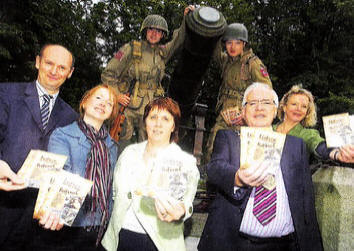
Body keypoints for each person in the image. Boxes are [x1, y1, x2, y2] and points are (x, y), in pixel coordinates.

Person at [198, 83, 323, 251]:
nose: (259, 108)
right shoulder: (229, 138)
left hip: (284, 245)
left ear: (275, 110)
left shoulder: (295, 145)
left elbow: (306, 199)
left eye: (266, 102)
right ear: (243, 111)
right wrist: (237, 178)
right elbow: (215, 168)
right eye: (252, 103)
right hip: (235, 244)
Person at [0, 44, 78, 250]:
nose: (54, 71)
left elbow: (72, 169)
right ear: (37, 62)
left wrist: (63, 209)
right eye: (49, 63)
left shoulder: (72, 117)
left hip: (40, 221)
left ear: (70, 73)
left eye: (62, 67)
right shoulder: (6, 93)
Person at [102, 97, 200, 251]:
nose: (158, 124)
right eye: (153, 117)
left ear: (173, 125)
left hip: (159, 242)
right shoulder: (128, 153)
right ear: (145, 122)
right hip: (120, 239)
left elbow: (186, 204)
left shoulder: (185, 162)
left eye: (165, 119)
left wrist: (180, 211)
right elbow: (114, 194)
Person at [32, 84, 119, 251]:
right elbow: (59, 174)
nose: (103, 104)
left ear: (111, 113)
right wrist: (55, 209)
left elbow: (111, 187)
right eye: (98, 98)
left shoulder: (112, 146)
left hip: (100, 225)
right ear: (85, 103)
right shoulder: (62, 135)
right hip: (68, 223)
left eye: (109, 103)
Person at [101, 6, 193, 147]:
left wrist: (186, 18)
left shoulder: (162, 53)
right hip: (128, 105)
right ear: (145, 31)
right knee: (119, 143)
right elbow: (108, 74)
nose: (154, 34)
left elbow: (178, 39)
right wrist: (116, 94)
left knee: (149, 145)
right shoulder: (130, 48)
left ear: (163, 35)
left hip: (151, 106)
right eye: (151, 29)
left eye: (158, 31)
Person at [205, 22, 273, 162]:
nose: (232, 47)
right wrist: (214, 27)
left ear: (244, 44)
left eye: (237, 43)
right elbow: (214, 51)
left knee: (241, 155)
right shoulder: (227, 62)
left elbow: (267, 92)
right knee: (213, 147)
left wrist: (249, 115)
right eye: (229, 42)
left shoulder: (252, 64)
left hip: (244, 116)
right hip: (225, 113)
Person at [275, 85, 354, 164]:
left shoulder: (307, 134)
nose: (298, 109)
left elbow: (320, 146)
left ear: (307, 112)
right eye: (294, 104)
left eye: (304, 106)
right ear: (284, 107)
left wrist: (337, 153)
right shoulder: (268, 129)